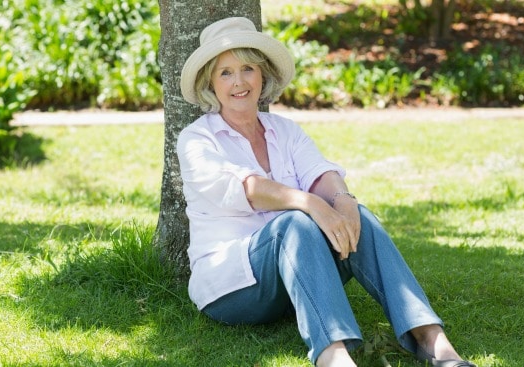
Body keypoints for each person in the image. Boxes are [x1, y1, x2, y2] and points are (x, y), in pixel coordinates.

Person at [176, 16, 477, 367]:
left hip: (295, 277)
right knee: (296, 222)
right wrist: (310, 204)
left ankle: (431, 339)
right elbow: (249, 190)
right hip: (232, 287)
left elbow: (321, 175)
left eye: (247, 69)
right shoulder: (197, 139)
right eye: (225, 72)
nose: (239, 82)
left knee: (357, 216)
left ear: (263, 75)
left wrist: (344, 203)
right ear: (211, 82)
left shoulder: (284, 130)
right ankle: (333, 356)